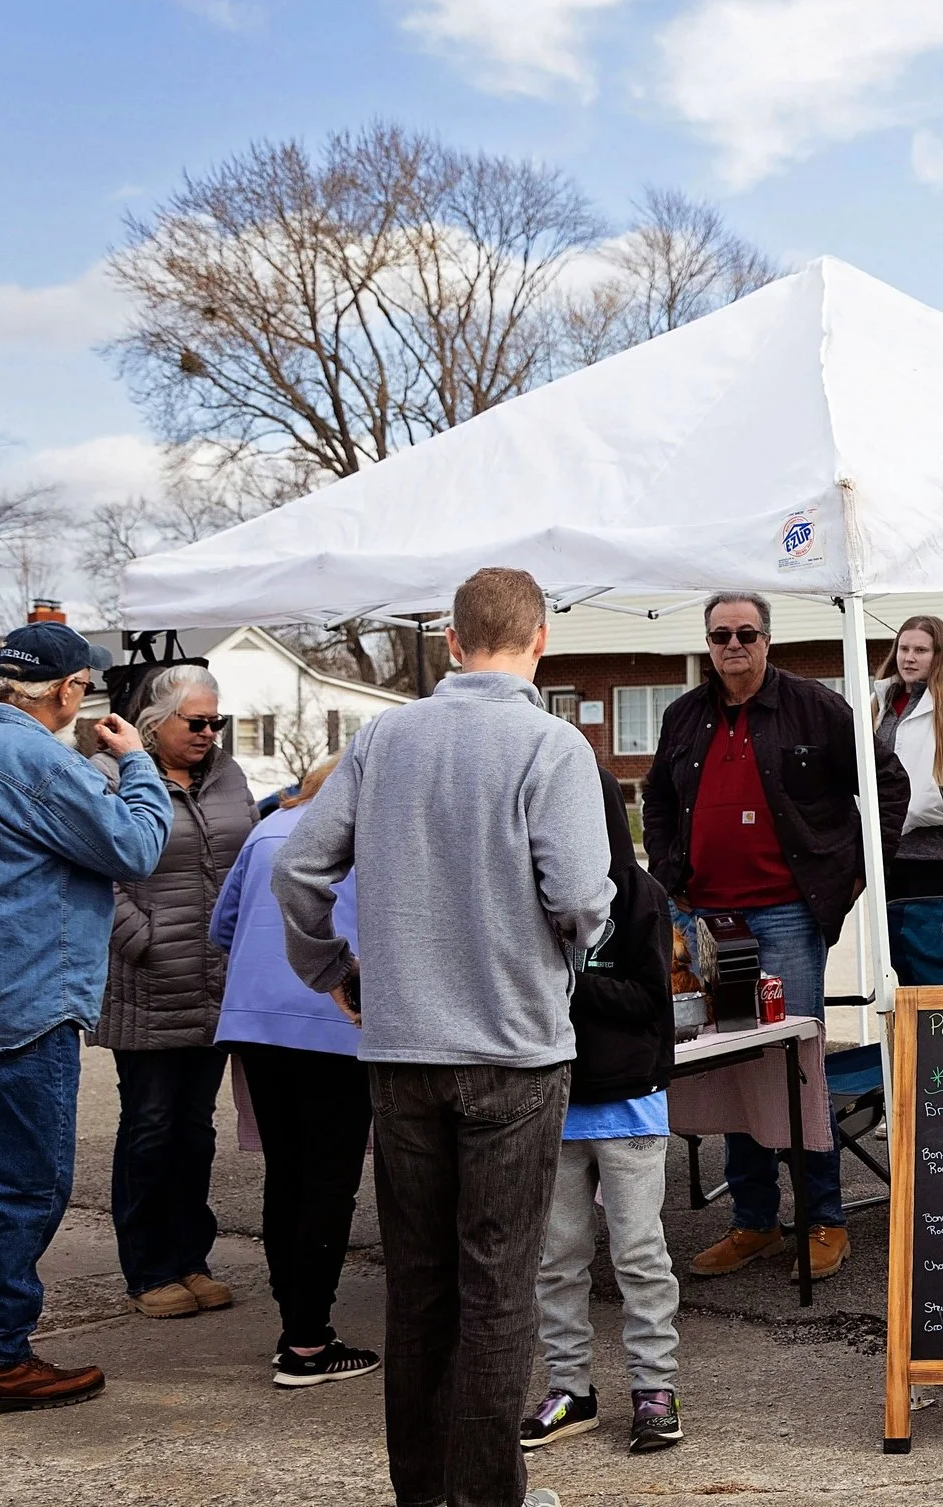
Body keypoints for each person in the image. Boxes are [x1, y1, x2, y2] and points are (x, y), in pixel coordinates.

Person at [275, 567, 611, 1507]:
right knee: (497, 1287)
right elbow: (580, 895)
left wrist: (332, 967)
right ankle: (487, 1497)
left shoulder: (384, 737)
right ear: (541, 640)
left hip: (402, 1049)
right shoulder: (551, 744)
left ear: (453, 643)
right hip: (513, 1048)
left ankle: (423, 1493)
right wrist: (577, 950)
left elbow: (297, 871)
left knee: (419, 1283)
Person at [641, 591, 905, 1283]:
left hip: (787, 912)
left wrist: (856, 875)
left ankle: (824, 1218)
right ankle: (755, 1220)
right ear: (707, 642)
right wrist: (668, 876)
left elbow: (887, 783)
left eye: (746, 633)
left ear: (767, 640)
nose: (733, 644)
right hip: (706, 919)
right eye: (721, 635)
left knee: (795, 1065)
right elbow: (657, 799)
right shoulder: (682, 716)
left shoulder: (816, 707)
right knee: (731, 1066)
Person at [0, 623, 168, 1413]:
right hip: (24, 998)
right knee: (25, 1185)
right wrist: (136, 761)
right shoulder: (36, 760)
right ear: (70, 690)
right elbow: (136, 846)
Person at [519, 769, 683, 1456]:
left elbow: (650, 999)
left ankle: (655, 1388)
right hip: (553, 1104)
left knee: (639, 1256)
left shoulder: (641, 895)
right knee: (556, 1260)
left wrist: (568, 982)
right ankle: (570, 1389)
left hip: (629, 1106)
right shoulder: (527, 897)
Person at [209, 752, 378, 1387]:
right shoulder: (364, 839)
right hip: (335, 1017)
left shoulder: (265, 831)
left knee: (286, 1175)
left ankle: (296, 1325)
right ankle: (309, 1342)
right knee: (329, 1182)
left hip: (255, 1020)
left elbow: (222, 926)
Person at [99, 664, 255, 1321]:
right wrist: (146, 940)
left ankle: (192, 1259)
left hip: (214, 981)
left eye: (217, 721)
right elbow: (94, 875)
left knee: (195, 1131)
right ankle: (150, 1269)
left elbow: (247, 854)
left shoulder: (228, 775)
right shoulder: (110, 777)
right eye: (197, 721)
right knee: (150, 1127)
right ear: (155, 722)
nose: (209, 732)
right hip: (147, 985)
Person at [872, 617, 943, 985]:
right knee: (902, 972)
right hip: (890, 860)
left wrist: (925, 802)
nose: (909, 657)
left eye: (920, 650)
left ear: (940, 654)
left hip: (942, 861)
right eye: (904, 648)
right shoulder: (879, 703)